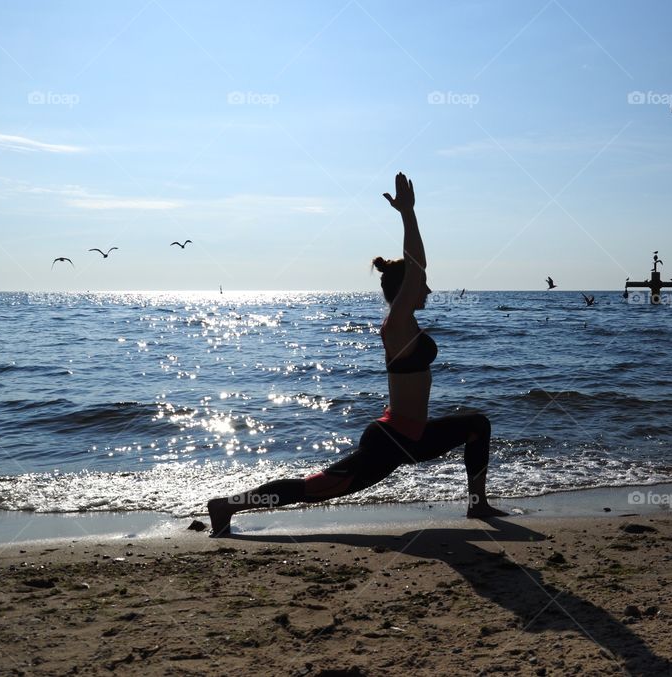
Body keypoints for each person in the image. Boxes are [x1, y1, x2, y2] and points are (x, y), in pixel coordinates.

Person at [207, 172, 506, 535]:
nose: (427, 288)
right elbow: (417, 267)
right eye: (419, 285)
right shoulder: (396, 323)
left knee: (477, 425)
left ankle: (478, 506)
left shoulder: (406, 321)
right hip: (392, 441)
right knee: (312, 490)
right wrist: (408, 214)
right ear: (406, 290)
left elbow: (417, 272)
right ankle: (226, 506)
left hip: (414, 436)